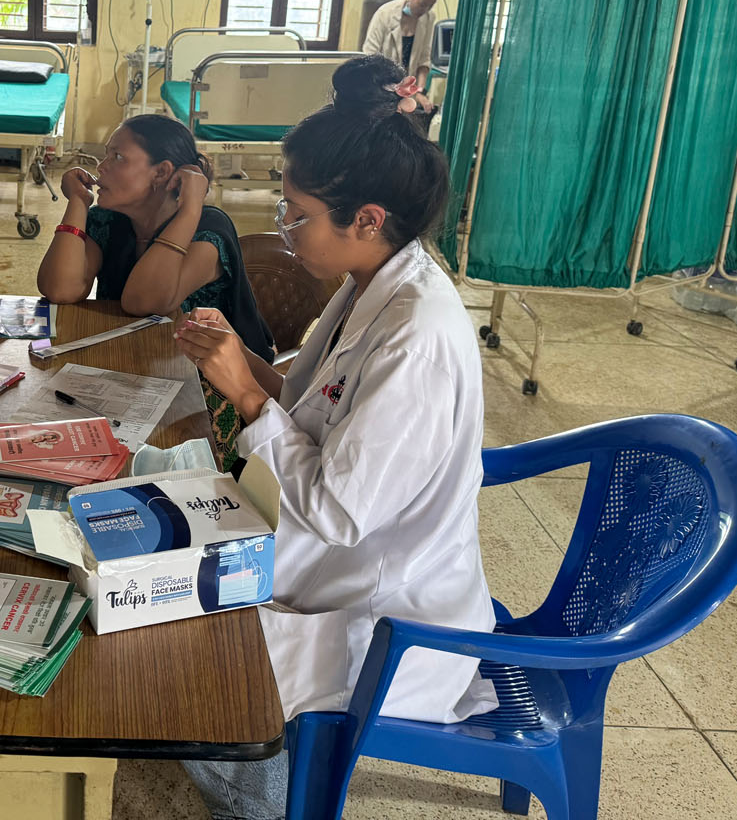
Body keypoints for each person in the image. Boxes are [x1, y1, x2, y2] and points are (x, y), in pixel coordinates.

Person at [173, 55, 496, 820]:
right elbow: (315, 406)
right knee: (155, 565)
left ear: (368, 220)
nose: (285, 231)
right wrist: (239, 358)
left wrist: (246, 392)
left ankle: (264, 801)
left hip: (382, 614)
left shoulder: (417, 336)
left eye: (297, 215)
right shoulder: (370, 283)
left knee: (177, 658)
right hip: (327, 560)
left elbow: (339, 511)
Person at [38, 114, 273, 462]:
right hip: (137, 371)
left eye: (118, 157)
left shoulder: (208, 229)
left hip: (215, 394)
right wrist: (77, 204)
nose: (101, 167)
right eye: (106, 155)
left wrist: (190, 209)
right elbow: (60, 288)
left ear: (162, 173)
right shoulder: (110, 221)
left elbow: (144, 301)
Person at [363, 0, 441, 85]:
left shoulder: (429, 17)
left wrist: (420, 90)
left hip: (408, 87)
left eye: (431, 5)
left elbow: (424, 59)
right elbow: (370, 55)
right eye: (422, 5)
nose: (425, 10)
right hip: (381, 84)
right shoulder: (384, 14)